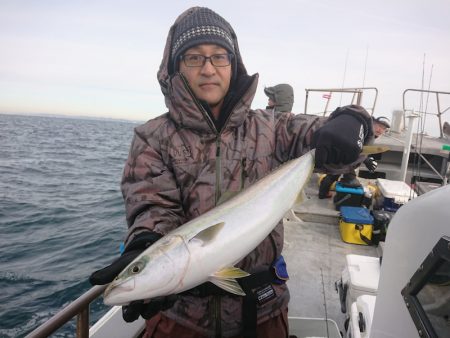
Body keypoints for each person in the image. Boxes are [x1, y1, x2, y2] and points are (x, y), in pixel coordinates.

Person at [89, 7, 373, 337]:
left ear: (233, 64)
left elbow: (327, 138)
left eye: (219, 56)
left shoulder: (272, 127)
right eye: (194, 57)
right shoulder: (153, 137)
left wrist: (355, 122)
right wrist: (146, 243)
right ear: (176, 67)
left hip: (264, 311)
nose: (208, 68)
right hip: (180, 320)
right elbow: (152, 206)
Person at [318, 115, 390, 199]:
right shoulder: (363, 131)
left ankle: (323, 193)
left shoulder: (370, 133)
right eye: (380, 126)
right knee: (341, 176)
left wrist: (366, 158)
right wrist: (366, 160)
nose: (380, 130)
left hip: (344, 155)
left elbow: (361, 148)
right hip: (340, 153)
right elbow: (353, 147)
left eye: (384, 129)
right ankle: (327, 194)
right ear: (373, 122)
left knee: (335, 174)